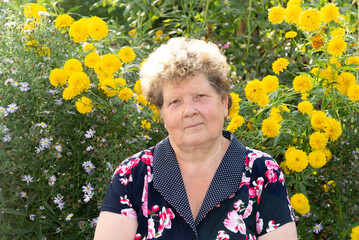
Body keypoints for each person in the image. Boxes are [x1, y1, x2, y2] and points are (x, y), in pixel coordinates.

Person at [94, 37, 298, 240]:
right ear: (162, 115)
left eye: (200, 96)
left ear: (224, 102)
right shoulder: (132, 175)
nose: (189, 111)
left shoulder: (262, 172)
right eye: (175, 101)